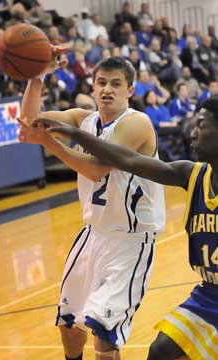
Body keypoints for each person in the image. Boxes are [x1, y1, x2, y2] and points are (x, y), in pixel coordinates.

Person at [38, 97, 218, 360]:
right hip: (209, 293)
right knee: (160, 351)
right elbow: (128, 159)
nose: (192, 132)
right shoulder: (192, 175)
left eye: (201, 125)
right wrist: (77, 135)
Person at [18, 54, 166, 360]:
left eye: (116, 83)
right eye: (101, 82)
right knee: (69, 325)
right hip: (92, 236)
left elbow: (96, 168)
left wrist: (51, 143)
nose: (107, 89)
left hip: (130, 242)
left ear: (130, 91)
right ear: (93, 87)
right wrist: (37, 75)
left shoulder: (137, 123)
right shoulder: (82, 119)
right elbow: (30, 121)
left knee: (103, 332)